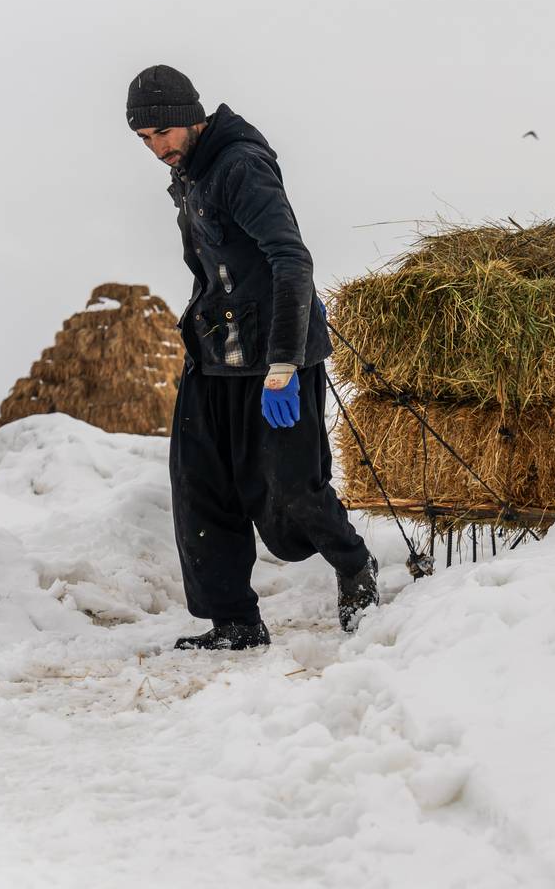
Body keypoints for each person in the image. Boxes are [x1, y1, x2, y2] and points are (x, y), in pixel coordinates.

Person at [127, 65, 378, 650]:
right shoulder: (191, 170)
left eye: (162, 133)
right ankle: (234, 620)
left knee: (291, 490)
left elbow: (292, 259)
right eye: (145, 139)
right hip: (214, 351)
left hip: (272, 352)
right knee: (200, 486)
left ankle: (354, 566)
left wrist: (286, 364)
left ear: (192, 116)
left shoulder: (240, 164)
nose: (156, 148)